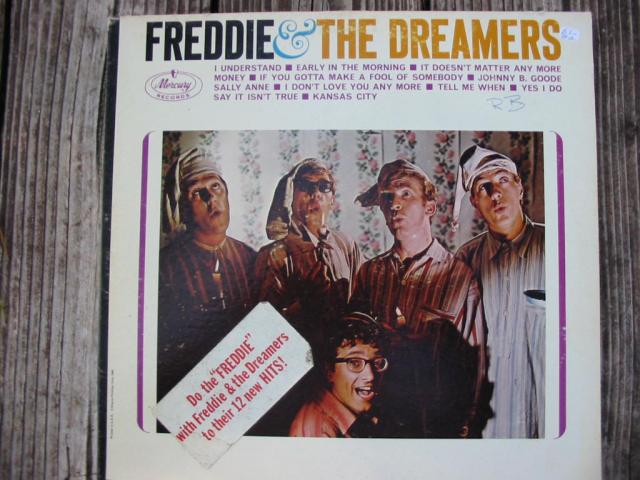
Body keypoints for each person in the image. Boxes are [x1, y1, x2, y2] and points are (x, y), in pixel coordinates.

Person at [351, 159, 487, 437]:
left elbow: (475, 362)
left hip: (434, 423)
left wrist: (465, 425)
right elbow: (351, 348)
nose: (394, 204)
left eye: (405, 193)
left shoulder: (457, 276)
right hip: (378, 422)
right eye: (387, 198)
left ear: (430, 207)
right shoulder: (370, 273)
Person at [454, 145, 545, 438]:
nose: (495, 194)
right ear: (474, 201)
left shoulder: (556, 247)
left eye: (503, 180)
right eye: (484, 187)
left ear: (519, 187)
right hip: (490, 420)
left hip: (546, 413)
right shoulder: (465, 259)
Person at [157, 148, 257, 401]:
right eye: (197, 193)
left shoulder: (251, 259)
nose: (211, 198)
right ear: (182, 208)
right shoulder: (164, 267)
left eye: (216, 187)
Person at [256, 158, 362, 352]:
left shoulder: (346, 245)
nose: (316, 194)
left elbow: (362, 302)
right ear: (290, 196)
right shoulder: (274, 255)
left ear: (332, 198)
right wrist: (304, 304)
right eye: (306, 186)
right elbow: (264, 328)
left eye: (324, 187)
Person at [289, 313, 390, 438]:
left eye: (377, 362)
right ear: (329, 371)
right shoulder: (319, 432)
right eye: (355, 363)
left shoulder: (356, 411)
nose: (371, 376)